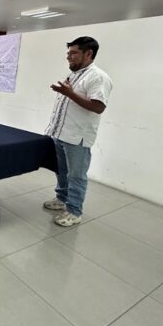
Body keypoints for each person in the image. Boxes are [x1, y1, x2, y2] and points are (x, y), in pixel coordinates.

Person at [43, 36, 113, 227]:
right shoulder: (75, 74)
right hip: (61, 133)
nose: (69, 57)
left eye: (73, 53)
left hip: (77, 137)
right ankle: (62, 199)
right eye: (68, 53)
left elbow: (98, 107)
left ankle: (74, 211)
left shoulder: (98, 77)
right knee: (62, 171)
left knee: (76, 176)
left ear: (88, 54)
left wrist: (69, 94)